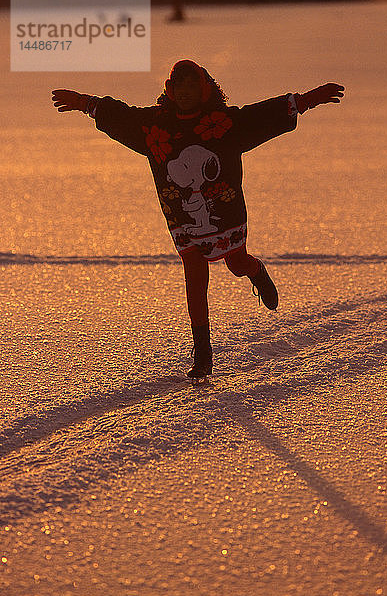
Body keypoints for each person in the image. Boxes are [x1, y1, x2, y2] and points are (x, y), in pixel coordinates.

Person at [51, 60, 344, 380]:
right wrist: (83, 103)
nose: (185, 93)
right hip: (181, 218)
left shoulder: (223, 122)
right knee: (194, 278)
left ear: (205, 90)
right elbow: (122, 116)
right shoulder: (154, 126)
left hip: (224, 212)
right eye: (179, 87)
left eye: (192, 87)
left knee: (236, 264)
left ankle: (255, 270)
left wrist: (306, 100)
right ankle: (203, 355)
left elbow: (261, 116)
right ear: (170, 91)